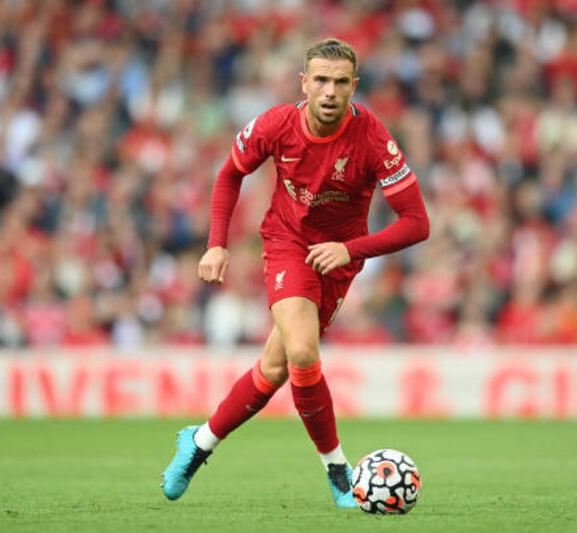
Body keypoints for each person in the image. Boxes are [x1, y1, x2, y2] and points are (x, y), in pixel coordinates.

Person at [161, 38, 430, 508]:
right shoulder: (276, 125)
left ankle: (199, 441)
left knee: (275, 366)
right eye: (320, 80)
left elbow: (417, 223)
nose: (329, 91)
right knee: (304, 353)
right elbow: (229, 174)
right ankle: (338, 470)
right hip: (287, 244)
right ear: (303, 83)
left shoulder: (374, 139)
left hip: (339, 258)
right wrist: (217, 244)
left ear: (354, 87)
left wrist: (349, 250)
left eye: (340, 82)